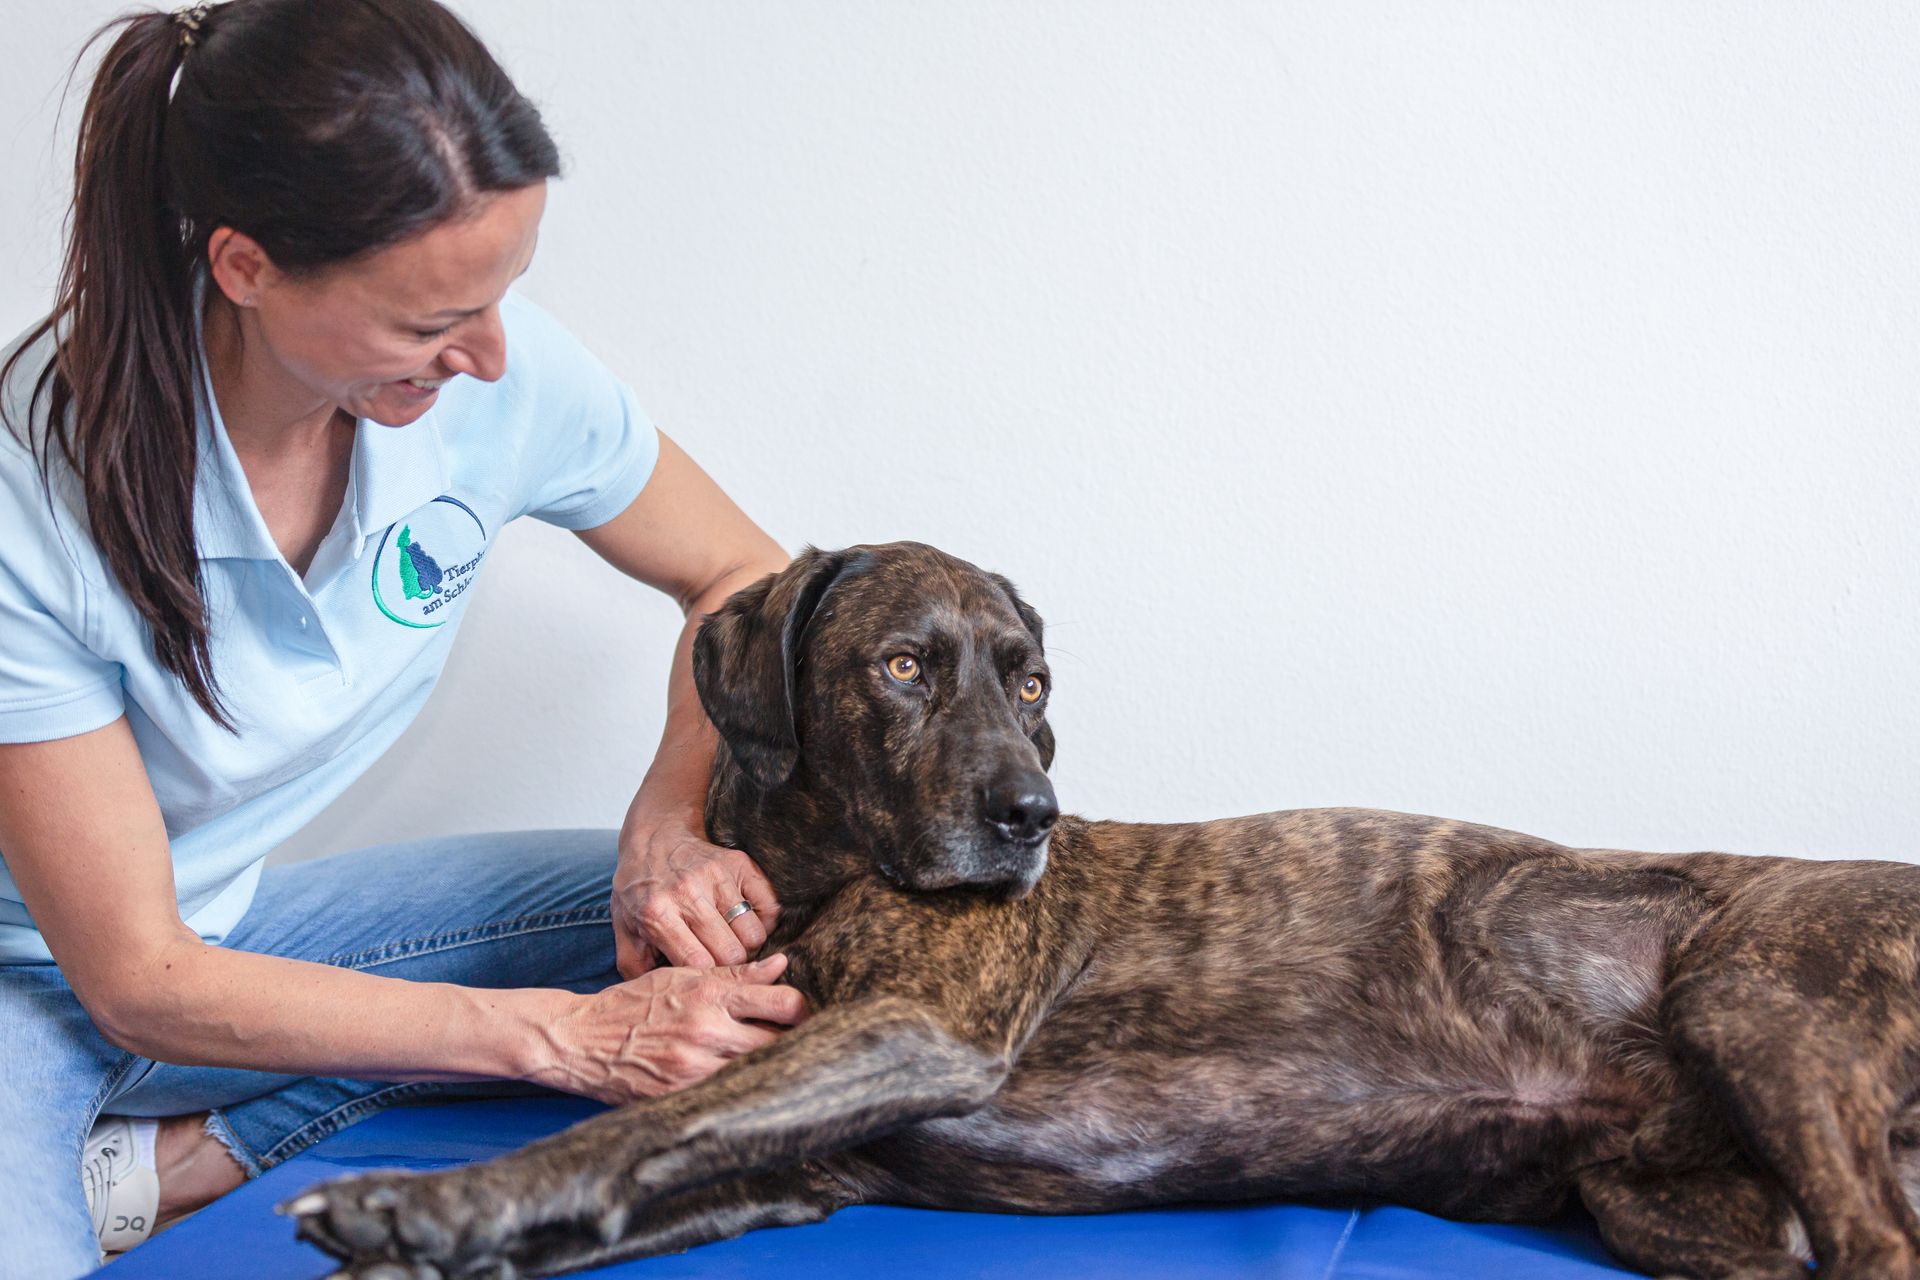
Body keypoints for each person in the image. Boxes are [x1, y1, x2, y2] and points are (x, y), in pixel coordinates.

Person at [0, 3, 810, 1276]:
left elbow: (742, 577)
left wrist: (669, 820)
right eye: (430, 318)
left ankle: (168, 1157)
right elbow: (136, 975)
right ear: (245, 266)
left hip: (226, 925)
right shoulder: (26, 487)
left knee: (758, 910)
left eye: (504, 294)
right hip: (50, 977)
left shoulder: (495, 372)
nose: (489, 353)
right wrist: (562, 1036)